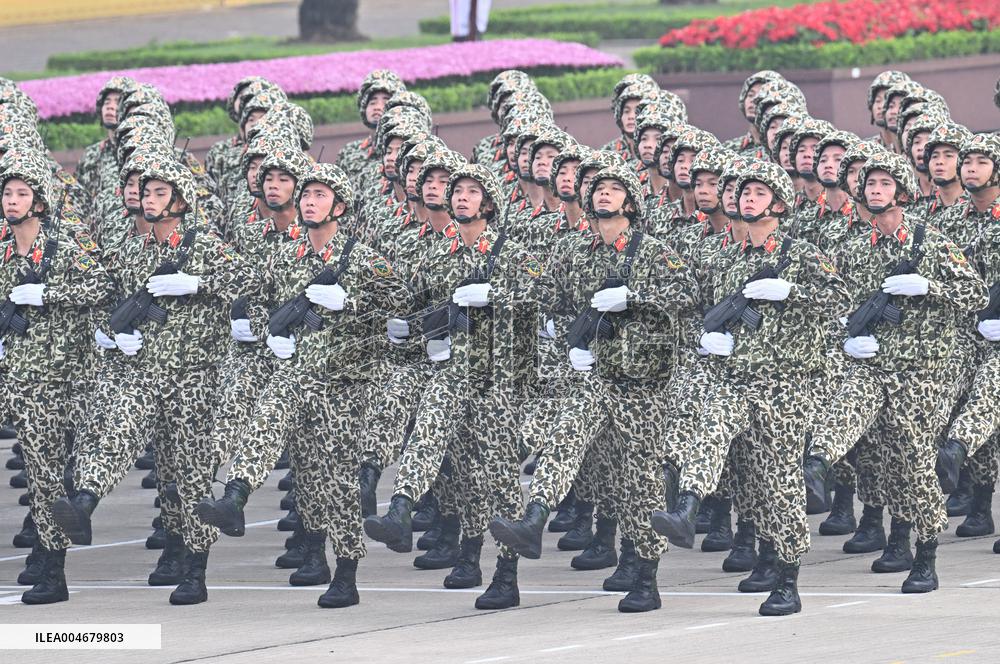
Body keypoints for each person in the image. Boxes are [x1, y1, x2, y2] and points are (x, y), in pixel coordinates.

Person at [0, 149, 114, 604]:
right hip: (21, 377)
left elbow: (102, 285)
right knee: (38, 473)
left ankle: (54, 565)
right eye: (6, 193)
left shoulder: (63, 246)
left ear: (39, 203)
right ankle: (48, 562)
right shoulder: (4, 250)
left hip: (64, 377)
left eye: (21, 193)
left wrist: (49, 292)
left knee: (57, 472)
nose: (11, 201)